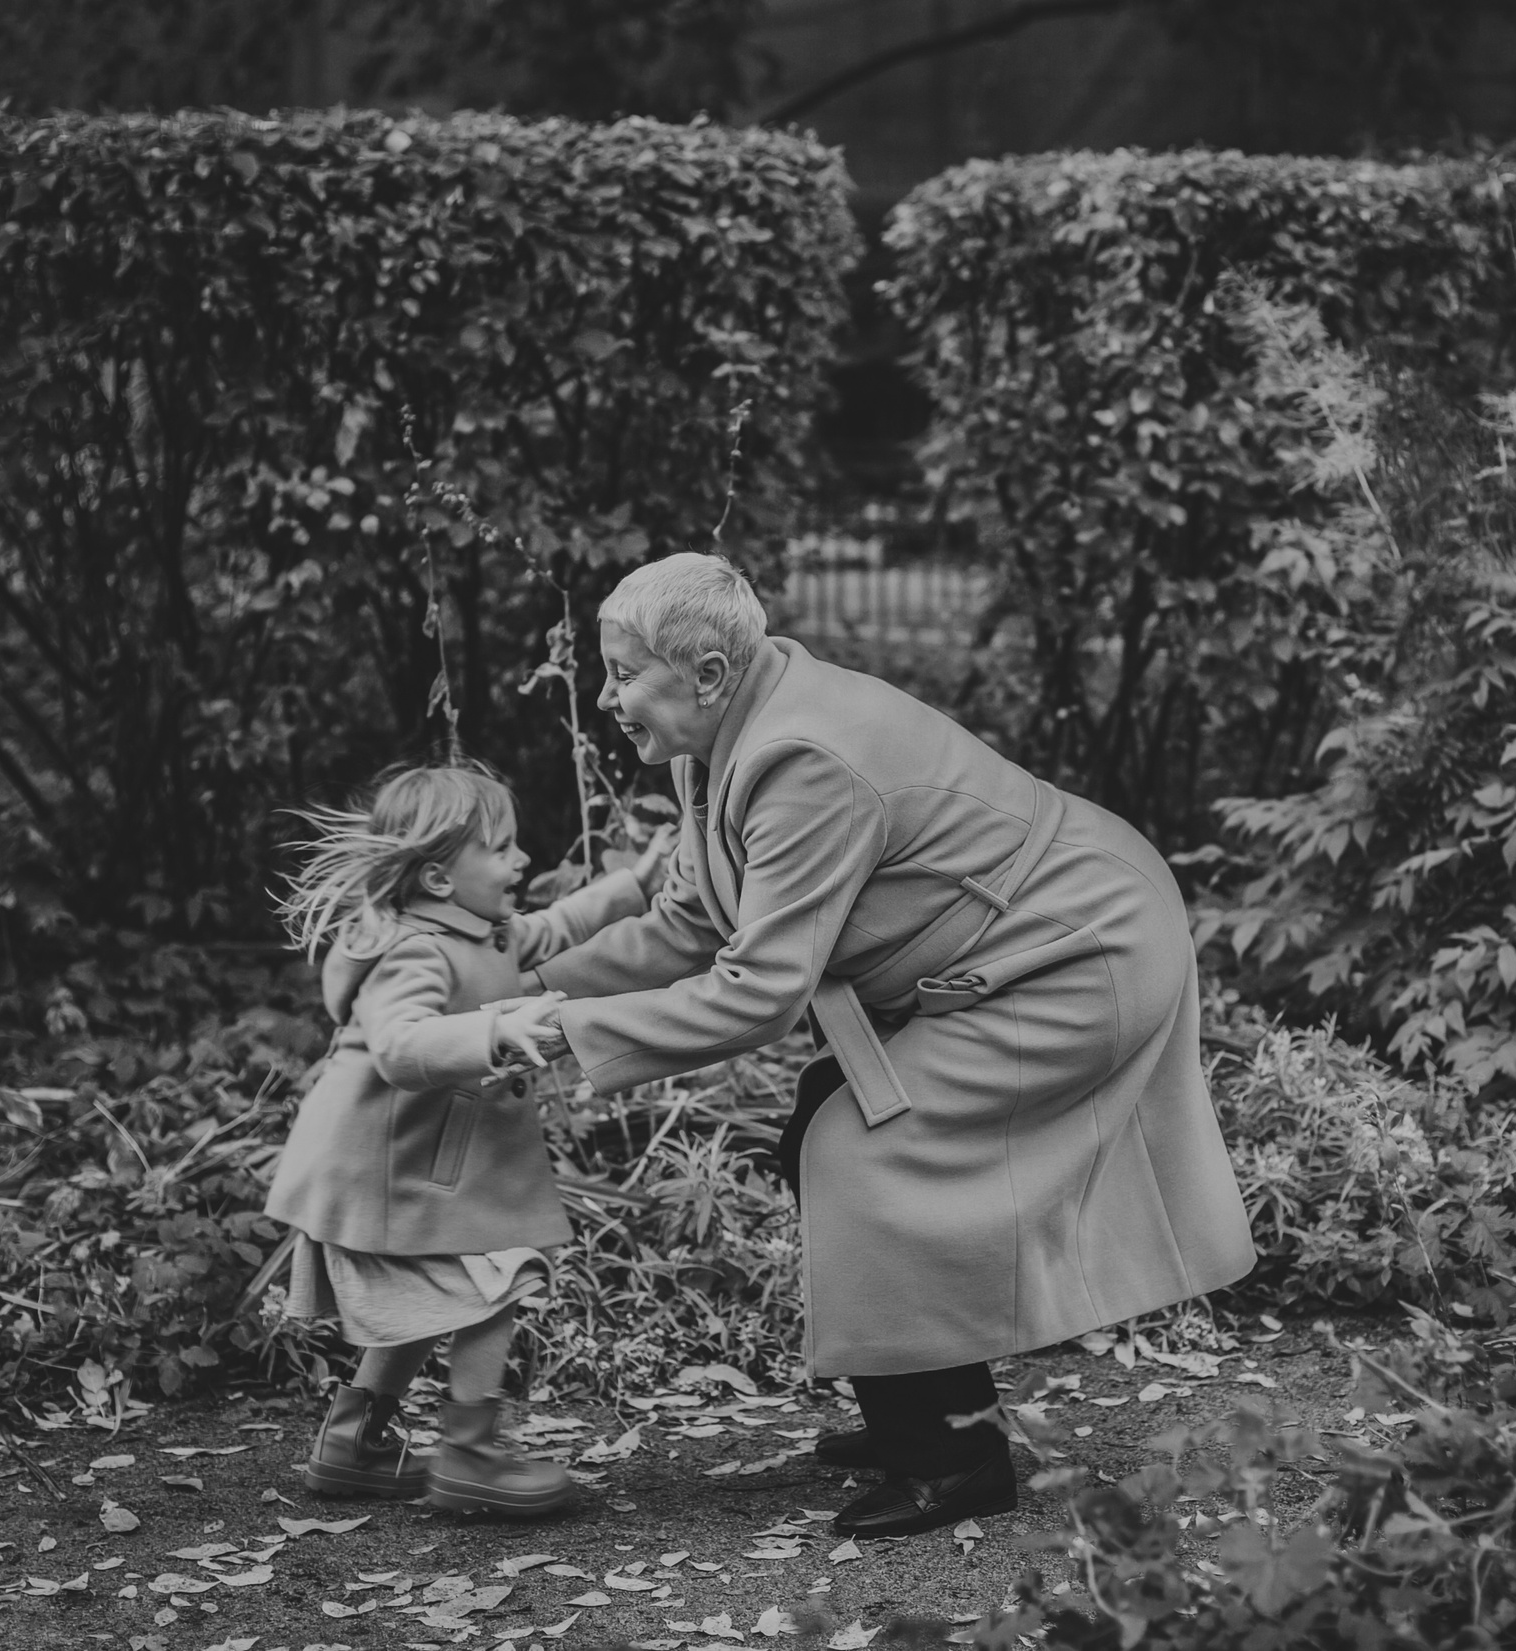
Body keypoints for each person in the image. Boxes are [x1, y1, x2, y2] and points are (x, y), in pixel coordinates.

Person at [489, 554, 1256, 1539]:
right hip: (1014, 951)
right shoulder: (715, 740)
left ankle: (954, 1461)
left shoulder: (801, 757)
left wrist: (548, 1035)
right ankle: (925, 1403)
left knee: (865, 1150)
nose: (604, 696)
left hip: (1078, 955)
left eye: (622, 672)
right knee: (817, 1121)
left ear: (711, 672)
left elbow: (758, 993)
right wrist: (520, 991)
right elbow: (689, 923)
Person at [265, 761, 667, 1515]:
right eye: (503, 847)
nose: (522, 861)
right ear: (442, 880)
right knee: (499, 1279)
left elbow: (561, 923)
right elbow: (398, 1044)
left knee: (435, 1304)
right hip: (382, 1173)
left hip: (424, 1170)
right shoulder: (415, 950)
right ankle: (470, 1454)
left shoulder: (488, 931)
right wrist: (493, 1026)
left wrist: (638, 879)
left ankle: (354, 1443)